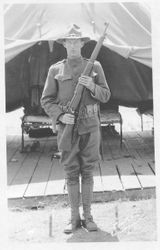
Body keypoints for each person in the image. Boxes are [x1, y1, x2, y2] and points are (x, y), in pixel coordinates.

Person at [41, 24, 111, 234]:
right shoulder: (55, 69)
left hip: (90, 127)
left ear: (82, 44)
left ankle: (88, 217)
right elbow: (46, 100)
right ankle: (74, 219)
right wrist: (61, 115)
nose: (73, 45)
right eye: (69, 42)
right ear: (64, 45)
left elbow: (106, 95)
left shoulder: (95, 66)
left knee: (87, 171)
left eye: (76, 41)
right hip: (67, 129)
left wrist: (91, 85)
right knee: (71, 173)